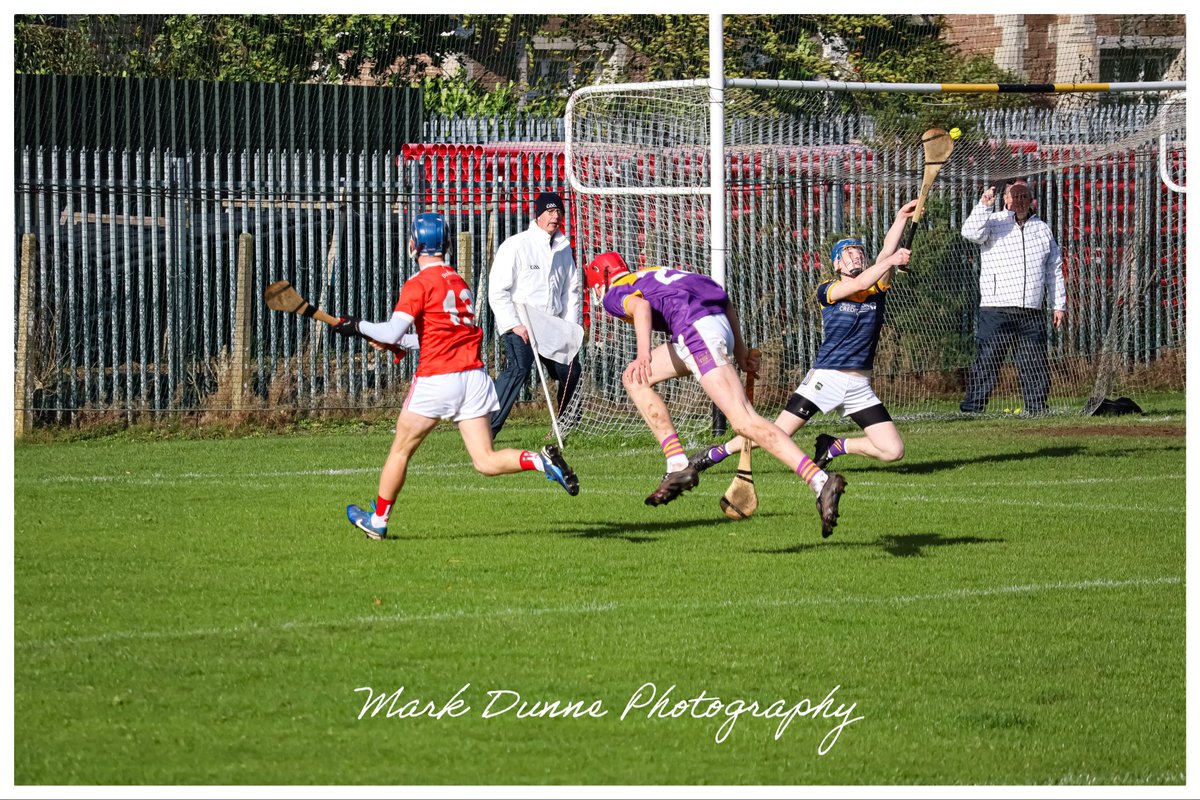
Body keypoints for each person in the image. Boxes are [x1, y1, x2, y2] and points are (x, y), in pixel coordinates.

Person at [334, 212, 579, 540]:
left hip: (438, 379)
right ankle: (539, 461)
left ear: (413, 245)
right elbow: (433, 335)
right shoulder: (458, 282)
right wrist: (399, 342)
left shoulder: (418, 283)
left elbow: (394, 329)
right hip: (474, 379)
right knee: (485, 460)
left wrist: (358, 326)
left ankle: (378, 520)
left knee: (400, 450)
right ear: (447, 245)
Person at [583, 252, 848, 539]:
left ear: (600, 280)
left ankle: (820, 480)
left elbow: (642, 307)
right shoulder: (654, 274)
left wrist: (643, 353)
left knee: (745, 422)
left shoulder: (614, 293)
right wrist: (740, 350)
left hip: (695, 332)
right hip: (712, 325)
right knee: (634, 379)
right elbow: (722, 297)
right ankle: (677, 463)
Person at [686, 202, 916, 479]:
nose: (855, 256)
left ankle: (835, 446)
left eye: (859, 252)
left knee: (893, 451)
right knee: (776, 433)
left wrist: (901, 218)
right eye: (848, 253)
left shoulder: (877, 289)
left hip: (860, 385)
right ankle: (714, 455)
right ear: (836, 264)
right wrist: (890, 262)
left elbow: (884, 256)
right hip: (826, 378)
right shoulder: (829, 289)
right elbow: (861, 281)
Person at [959, 179, 1066, 414]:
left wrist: (1059, 304)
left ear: (1031, 200)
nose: (1019, 200)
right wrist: (984, 205)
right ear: (1005, 199)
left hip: (1031, 309)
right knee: (987, 362)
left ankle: (1037, 408)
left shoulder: (1042, 228)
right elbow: (969, 232)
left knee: (1034, 363)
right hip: (996, 308)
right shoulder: (994, 222)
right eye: (1014, 195)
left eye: (1024, 196)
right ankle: (972, 409)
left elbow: (1054, 268)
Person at [487, 191, 582, 439]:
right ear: (538, 215)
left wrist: (568, 328)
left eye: (559, 212)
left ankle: (565, 426)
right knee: (519, 368)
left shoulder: (563, 249)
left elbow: (570, 292)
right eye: (550, 212)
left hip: (552, 326)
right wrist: (513, 325)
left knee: (571, 370)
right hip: (522, 324)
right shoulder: (516, 245)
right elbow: (497, 290)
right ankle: (486, 427)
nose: (555, 216)